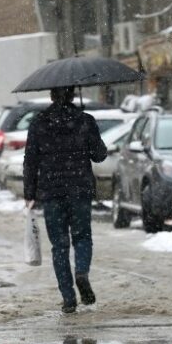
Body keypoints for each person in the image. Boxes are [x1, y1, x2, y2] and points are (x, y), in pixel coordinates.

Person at [23, 86, 107, 314]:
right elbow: (100, 155)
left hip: (51, 192)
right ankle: (82, 272)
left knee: (59, 245)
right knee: (82, 237)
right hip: (79, 189)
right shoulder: (84, 120)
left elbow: (30, 160)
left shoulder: (39, 122)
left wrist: (29, 193)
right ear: (72, 95)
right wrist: (86, 133)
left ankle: (68, 299)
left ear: (51, 96)